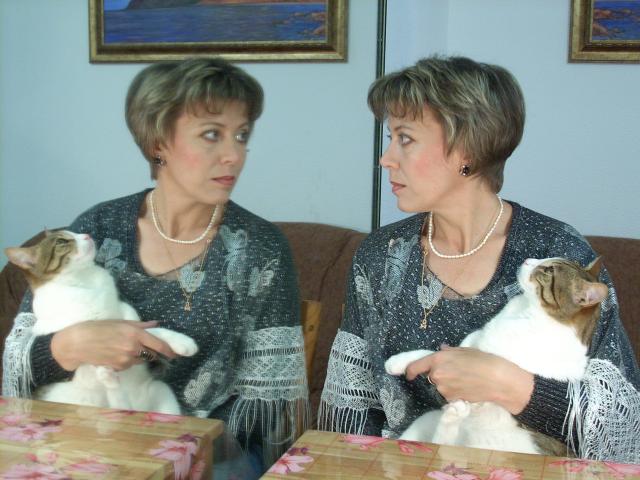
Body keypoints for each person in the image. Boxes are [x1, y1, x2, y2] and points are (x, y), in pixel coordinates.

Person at [318, 55, 640, 463]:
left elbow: (622, 430)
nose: (386, 158)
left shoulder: (559, 254)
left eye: (405, 138)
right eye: (390, 137)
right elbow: (350, 408)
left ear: (466, 149)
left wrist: (513, 386)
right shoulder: (381, 255)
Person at [3, 58, 309, 475]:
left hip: (210, 452)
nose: (234, 155)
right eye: (212, 135)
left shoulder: (261, 248)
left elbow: (269, 405)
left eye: (241, 136)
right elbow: (19, 364)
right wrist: (67, 347)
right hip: (86, 438)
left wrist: (181, 447)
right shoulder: (97, 229)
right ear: (157, 142)